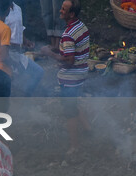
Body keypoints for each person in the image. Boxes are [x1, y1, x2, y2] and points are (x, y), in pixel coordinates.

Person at [40, 0, 89, 156]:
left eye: (63, 9)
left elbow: (69, 61)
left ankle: (75, 146)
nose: (60, 11)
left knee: (69, 111)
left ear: (71, 14)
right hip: (81, 72)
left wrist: (50, 54)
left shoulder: (68, 34)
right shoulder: (81, 26)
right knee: (73, 102)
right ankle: (89, 128)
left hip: (71, 78)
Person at [0, 1, 44, 96]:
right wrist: (11, 45)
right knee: (10, 82)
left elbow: (19, 29)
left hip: (18, 53)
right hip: (5, 55)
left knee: (38, 72)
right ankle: (18, 99)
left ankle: (25, 97)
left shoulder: (18, 8)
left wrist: (26, 41)